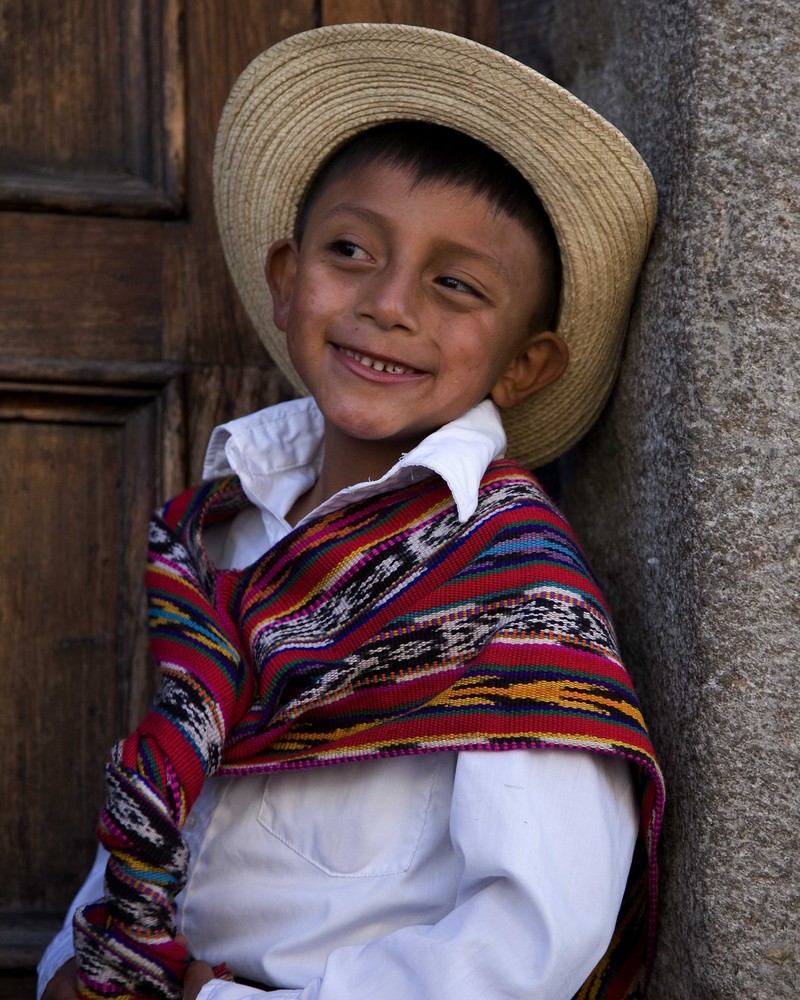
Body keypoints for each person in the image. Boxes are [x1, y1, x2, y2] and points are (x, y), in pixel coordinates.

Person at [38, 22, 664, 1000]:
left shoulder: (508, 584)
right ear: (289, 283)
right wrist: (81, 968)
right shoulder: (231, 541)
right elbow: (168, 814)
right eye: (350, 251)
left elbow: (532, 940)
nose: (388, 303)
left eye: (454, 285)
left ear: (524, 363)